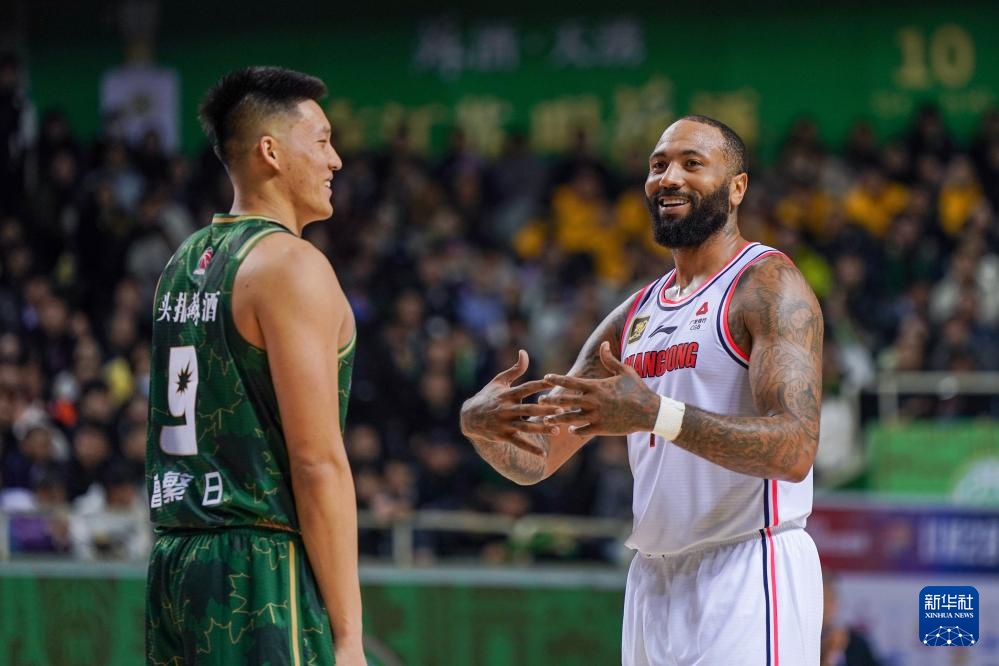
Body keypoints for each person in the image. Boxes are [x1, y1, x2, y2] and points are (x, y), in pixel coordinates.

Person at [461, 115, 824, 665]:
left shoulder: (767, 285)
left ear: (737, 187)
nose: (669, 178)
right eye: (658, 166)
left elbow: (794, 450)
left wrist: (658, 414)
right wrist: (480, 427)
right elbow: (537, 458)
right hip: (653, 580)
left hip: (749, 566)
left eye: (691, 164)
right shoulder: (635, 315)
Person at [144, 67, 366, 665]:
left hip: (175, 561)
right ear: (271, 151)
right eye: (322, 141)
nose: (336, 160)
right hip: (258, 570)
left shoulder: (182, 262)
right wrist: (349, 638)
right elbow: (316, 462)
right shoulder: (291, 265)